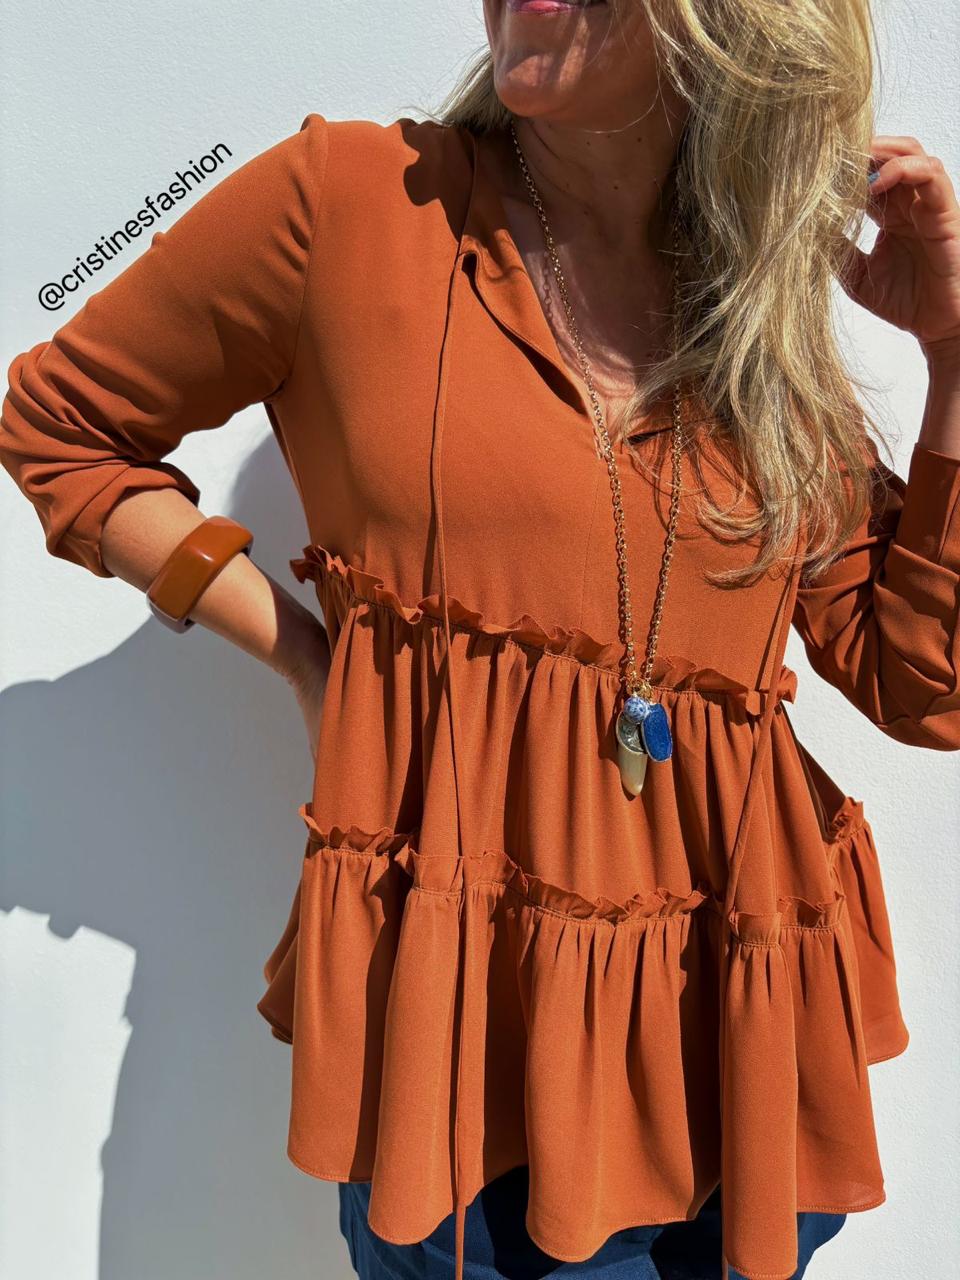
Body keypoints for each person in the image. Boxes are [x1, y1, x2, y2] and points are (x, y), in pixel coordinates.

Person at [2, 1, 959, 1277]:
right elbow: (59, 425)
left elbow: (924, 682)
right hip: (476, 1088)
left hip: (746, 1060)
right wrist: (304, 656)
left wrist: (954, 349)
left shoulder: (754, 310)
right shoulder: (349, 204)